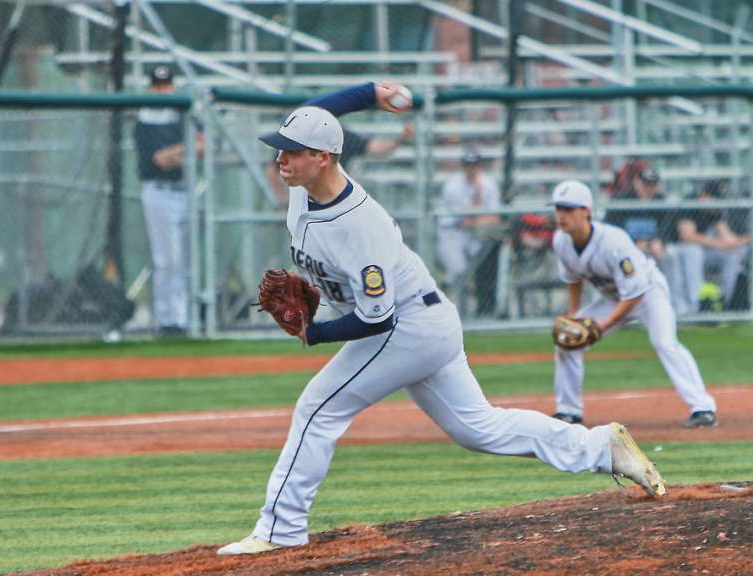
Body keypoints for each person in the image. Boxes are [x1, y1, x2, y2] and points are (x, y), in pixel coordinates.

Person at [216, 84, 666, 556]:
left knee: (318, 409)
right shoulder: (307, 180)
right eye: (280, 150)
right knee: (480, 429)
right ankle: (600, 448)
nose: (280, 160)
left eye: (291, 153)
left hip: (406, 325)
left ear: (323, 157)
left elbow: (377, 319)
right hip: (429, 319)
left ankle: (280, 530)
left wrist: (316, 333)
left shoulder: (358, 227)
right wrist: (372, 92)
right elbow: (318, 111)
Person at [549, 180, 717, 429]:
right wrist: (574, 315)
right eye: (558, 209)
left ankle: (703, 407)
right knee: (568, 341)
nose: (562, 216)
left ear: (586, 211)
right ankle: (568, 411)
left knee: (664, 342)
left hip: (648, 293)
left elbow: (634, 295)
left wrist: (602, 326)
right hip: (613, 298)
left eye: (569, 209)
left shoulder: (613, 241)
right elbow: (573, 279)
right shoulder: (561, 241)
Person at [133, 65, 202, 336]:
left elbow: (203, 145)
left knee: (186, 259)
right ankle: (168, 320)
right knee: (167, 260)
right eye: (158, 85)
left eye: (166, 84)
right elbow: (159, 160)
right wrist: (184, 150)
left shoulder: (183, 112)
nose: (163, 90)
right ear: (152, 87)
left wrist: (178, 152)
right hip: (159, 191)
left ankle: (185, 317)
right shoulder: (145, 115)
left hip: (185, 189)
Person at [267, 123, 413, 205]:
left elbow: (376, 148)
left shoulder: (340, 137)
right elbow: (273, 170)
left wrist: (400, 139)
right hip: (305, 207)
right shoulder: (297, 137)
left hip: (335, 204)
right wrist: (284, 200)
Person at [665, 180, 750, 315]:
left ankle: (723, 302)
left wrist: (746, 239)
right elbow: (687, 236)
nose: (717, 204)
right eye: (715, 198)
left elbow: (728, 238)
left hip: (701, 251)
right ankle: (695, 306)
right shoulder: (690, 202)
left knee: (731, 255)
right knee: (694, 251)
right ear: (704, 195)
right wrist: (722, 244)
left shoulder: (714, 210)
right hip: (676, 250)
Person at [436, 148, 503, 315]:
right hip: (452, 232)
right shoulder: (453, 186)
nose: (471, 169)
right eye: (468, 165)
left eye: (475, 165)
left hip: (474, 233)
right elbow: (464, 220)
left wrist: (479, 217)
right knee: (458, 271)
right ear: (463, 167)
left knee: (480, 265)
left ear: (480, 166)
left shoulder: (488, 183)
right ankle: (444, 311)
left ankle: (481, 311)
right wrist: (479, 202)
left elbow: (495, 217)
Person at [604, 169, 672, 264]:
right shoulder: (622, 199)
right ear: (636, 183)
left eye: (653, 185)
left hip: (653, 246)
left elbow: (668, 227)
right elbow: (611, 228)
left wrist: (659, 240)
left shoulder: (660, 201)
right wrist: (632, 243)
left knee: (670, 254)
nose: (649, 189)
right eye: (646, 185)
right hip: (626, 245)